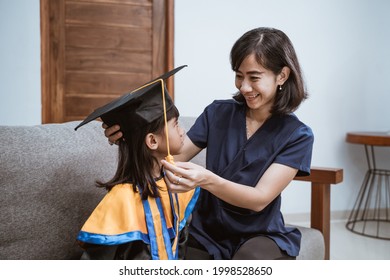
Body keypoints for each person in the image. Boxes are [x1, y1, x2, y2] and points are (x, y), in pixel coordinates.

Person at [104, 27, 314, 260]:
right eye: (239, 75)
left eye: (254, 77)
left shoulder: (298, 135)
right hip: (205, 233)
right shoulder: (218, 113)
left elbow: (259, 199)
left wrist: (207, 179)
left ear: (282, 76)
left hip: (260, 235)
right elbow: (174, 157)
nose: (244, 87)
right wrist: (131, 136)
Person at [74, 66, 199, 260]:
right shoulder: (121, 202)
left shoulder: (175, 186)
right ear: (152, 141)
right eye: (175, 124)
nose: (183, 131)